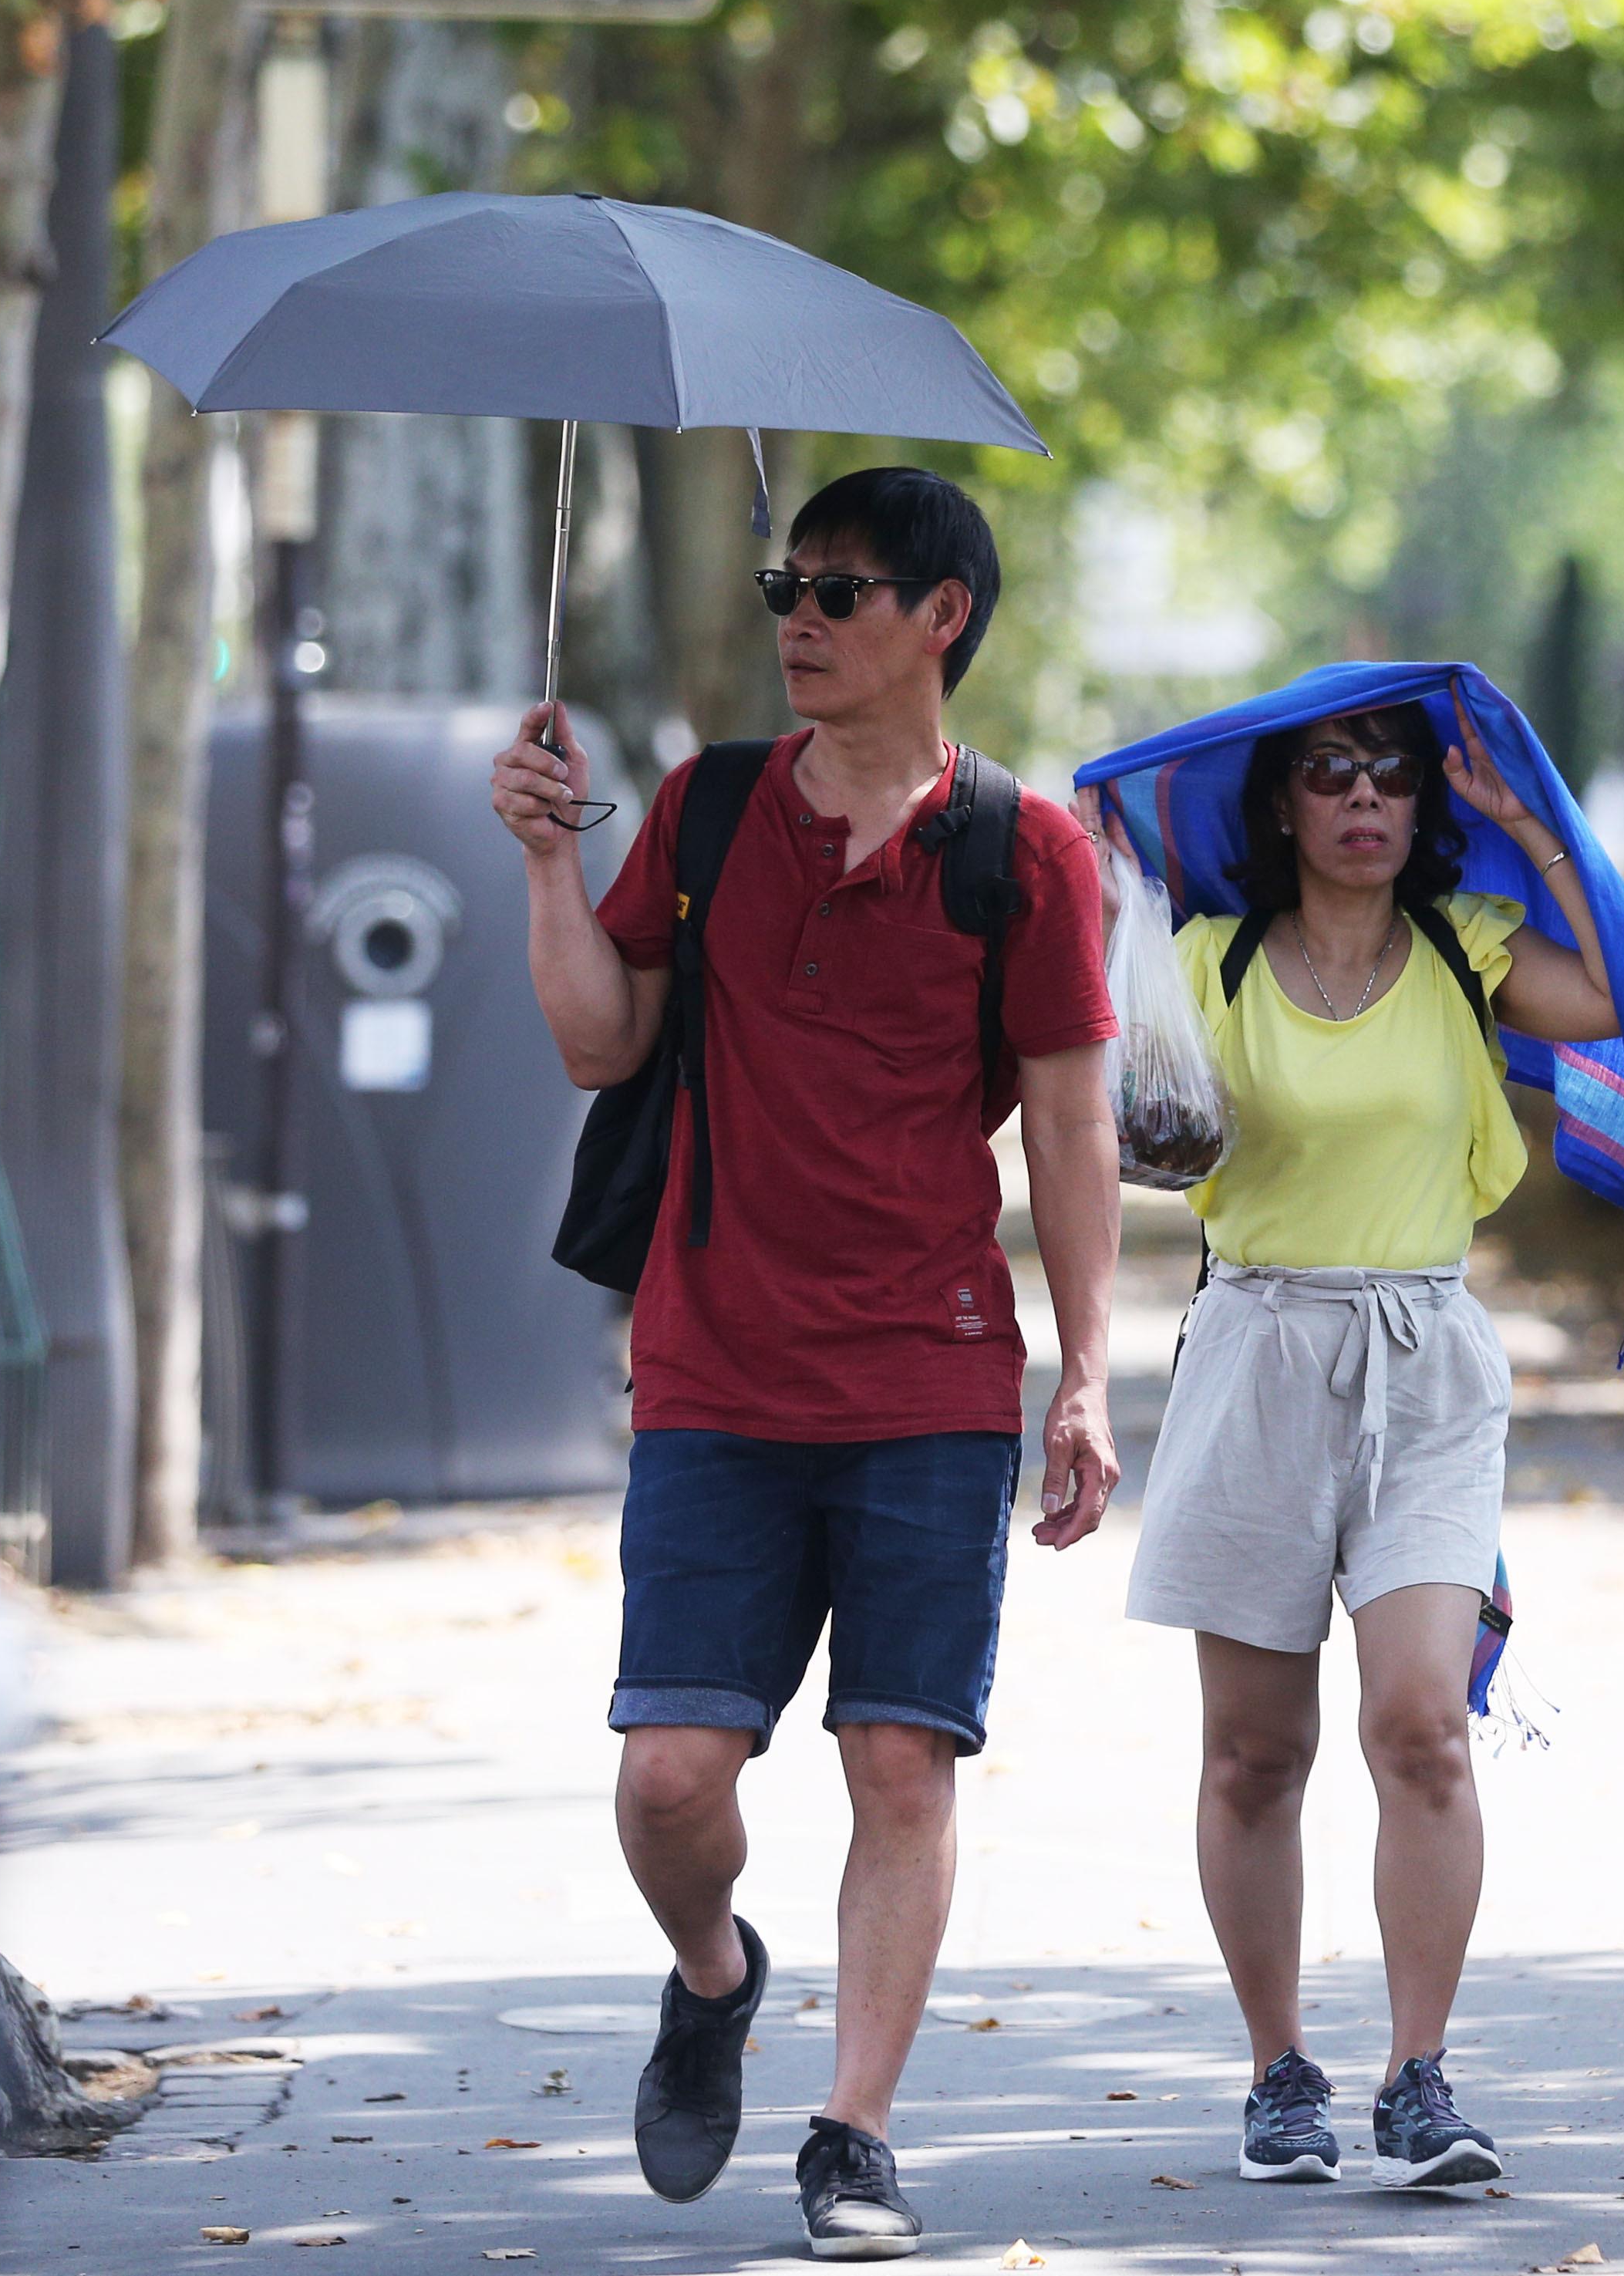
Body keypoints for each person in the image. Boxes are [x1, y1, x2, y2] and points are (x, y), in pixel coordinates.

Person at [488, 465, 1123, 2261]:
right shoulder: (708, 807)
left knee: (900, 1762)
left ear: (941, 617)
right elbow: (600, 1043)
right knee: (667, 1775)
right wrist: (548, 858)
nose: (801, 618)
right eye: (789, 585)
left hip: (928, 1377)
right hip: (714, 1368)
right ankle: (714, 1972)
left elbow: (1070, 1124)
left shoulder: (1024, 851)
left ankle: (855, 2132)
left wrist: (1085, 1369)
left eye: (842, 590)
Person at [1100, 697, 1619, 2190]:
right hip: (1257, 1351)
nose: (1364, 798)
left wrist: (1527, 826)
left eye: (1391, 775)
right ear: (1281, 805)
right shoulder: (1210, 962)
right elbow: (1120, 1116)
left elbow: (1612, 997)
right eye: (1328, 773)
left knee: (1421, 1722)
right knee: (1256, 1751)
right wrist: (1105, 890)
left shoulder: (1470, 946)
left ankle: (1419, 2074)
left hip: (1426, 1361)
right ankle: (1280, 2073)